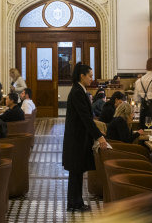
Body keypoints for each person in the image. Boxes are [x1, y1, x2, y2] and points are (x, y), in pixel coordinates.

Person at [62, 62, 108, 212]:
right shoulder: (77, 92)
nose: (91, 79)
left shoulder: (79, 90)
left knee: (78, 171)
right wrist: (99, 137)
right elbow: (85, 118)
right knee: (76, 171)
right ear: (82, 76)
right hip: (76, 139)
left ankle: (77, 202)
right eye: (90, 76)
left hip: (78, 138)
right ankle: (74, 203)